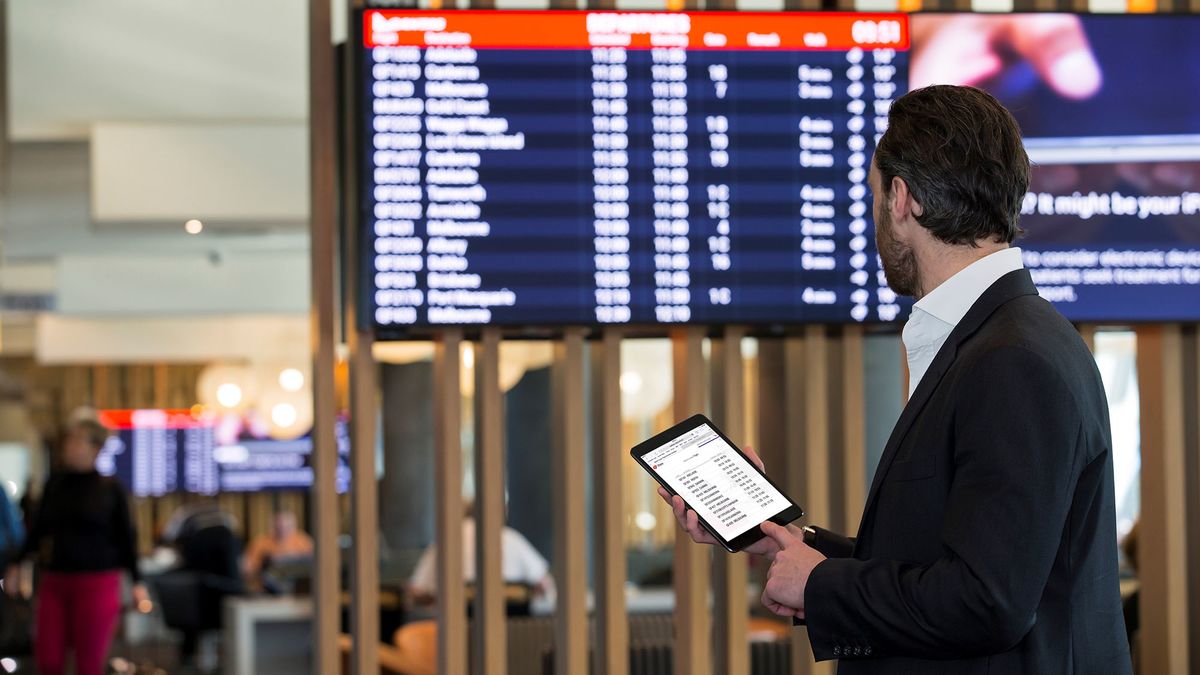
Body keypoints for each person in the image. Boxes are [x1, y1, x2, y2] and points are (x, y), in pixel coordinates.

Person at [665, 85, 1131, 673]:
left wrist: (824, 587)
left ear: (902, 199)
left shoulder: (1012, 359)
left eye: (874, 196)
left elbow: (988, 603)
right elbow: (946, 563)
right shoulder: (1006, 339)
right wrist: (786, 540)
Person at [5, 419, 149, 675]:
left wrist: (137, 583)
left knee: (89, 663)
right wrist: (17, 563)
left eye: (76, 440)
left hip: (98, 582)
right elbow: (38, 530)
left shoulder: (110, 489)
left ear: (95, 448)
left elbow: (127, 538)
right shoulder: (55, 484)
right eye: (69, 440)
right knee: (48, 659)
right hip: (57, 579)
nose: (69, 446)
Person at [408, 503, 553, 606]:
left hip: (454, 632)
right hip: (514, 632)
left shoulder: (447, 539)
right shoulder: (511, 538)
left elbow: (418, 590)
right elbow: (544, 584)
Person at [242, 509, 314, 584]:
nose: (282, 530)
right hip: (267, 586)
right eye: (278, 526)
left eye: (286, 526)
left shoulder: (303, 541)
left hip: (298, 586)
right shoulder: (260, 543)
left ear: (294, 526)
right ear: (272, 526)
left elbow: (314, 564)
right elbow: (248, 569)